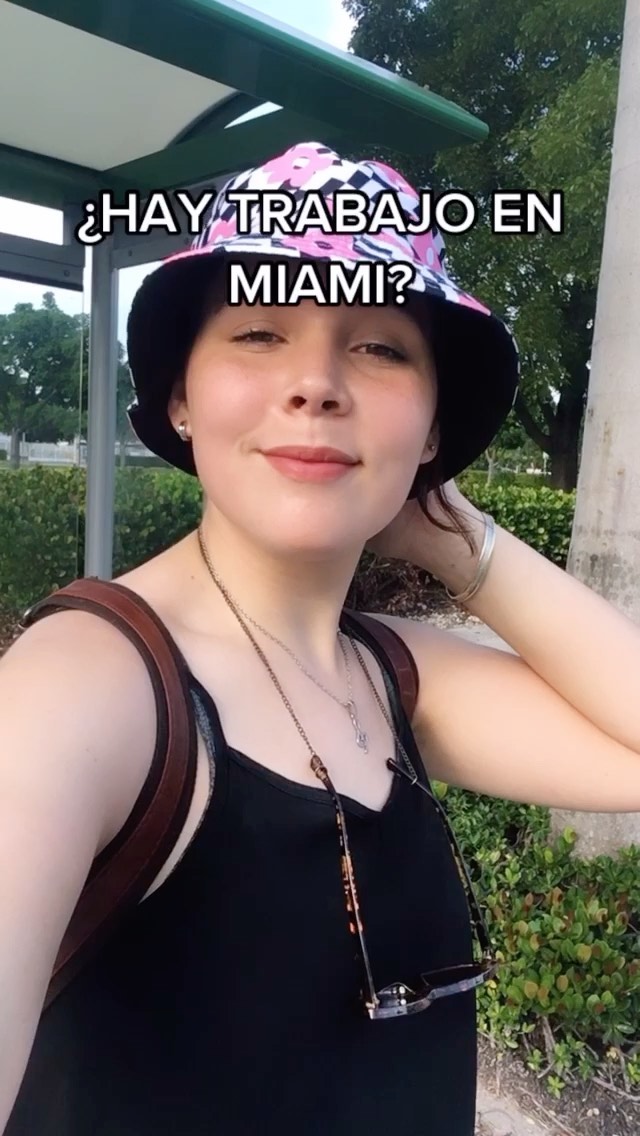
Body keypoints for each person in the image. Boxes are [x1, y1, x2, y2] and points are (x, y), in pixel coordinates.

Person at [1, 141, 639, 1136]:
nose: (315, 383)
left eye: (379, 347)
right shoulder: (85, 684)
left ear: (433, 428)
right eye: (258, 331)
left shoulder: (391, 672)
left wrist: (460, 543)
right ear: (180, 396)